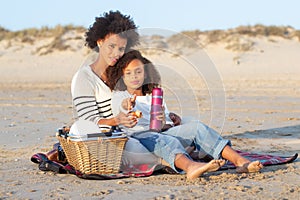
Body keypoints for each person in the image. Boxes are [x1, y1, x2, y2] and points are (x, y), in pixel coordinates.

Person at [71, 11, 225, 179]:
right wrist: (116, 121)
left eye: (121, 48)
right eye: (112, 46)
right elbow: (87, 120)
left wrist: (166, 118)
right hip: (113, 140)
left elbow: (143, 103)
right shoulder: (84, 77)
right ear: (99, 42)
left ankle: (183, 156)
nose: (117, 53)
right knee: (142, 143)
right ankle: (187, 158)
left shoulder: (124, 72)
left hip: (141, 131)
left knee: (189, 122)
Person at [108, 49, 264, 175]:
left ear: (146, 73)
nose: (134, 77)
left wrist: (166, 122)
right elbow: (121, 108)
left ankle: (240, 162)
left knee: (197, 127)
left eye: (138, 72)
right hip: (140, 137)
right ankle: (191, 167)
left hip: (160, 133)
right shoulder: (120, 96)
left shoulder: (154, 96)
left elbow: (165, 126)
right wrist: (127, 105)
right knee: (166, 141)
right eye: (128, 73)